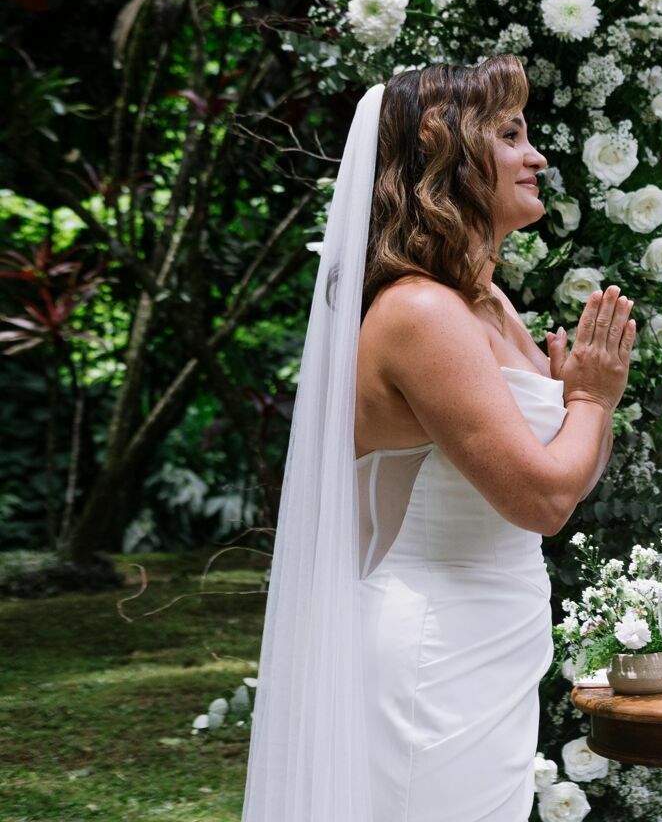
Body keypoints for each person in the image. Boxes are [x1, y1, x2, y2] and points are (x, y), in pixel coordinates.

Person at [243, 57, 637, 822]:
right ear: (448, 151)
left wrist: (583, 405)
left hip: (495, 638)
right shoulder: (421, 313)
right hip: (435, 649)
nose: (538, 155)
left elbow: (569, 474)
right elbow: (546, 498)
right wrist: (589, 396)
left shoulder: (488, 302)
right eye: (512, 134)